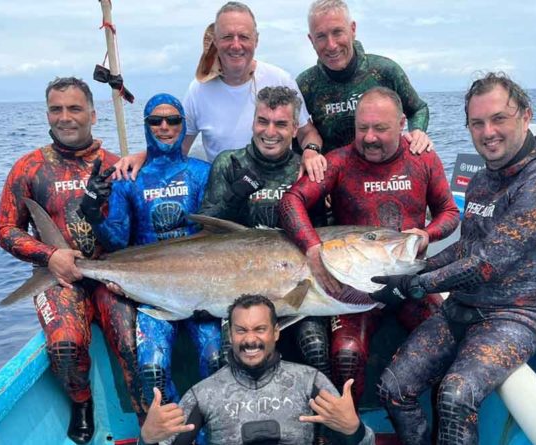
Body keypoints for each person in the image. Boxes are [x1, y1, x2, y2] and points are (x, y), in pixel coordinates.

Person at [372, 73, 536, 445]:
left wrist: (416, 285)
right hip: (461, 310)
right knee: (392, 388)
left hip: (513, 317)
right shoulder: (482, 179)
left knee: (454, 396)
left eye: (499, 118)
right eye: (477, 123)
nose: (488, 131)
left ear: (526, 116)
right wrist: (415, 268)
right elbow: (465, 247)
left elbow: (485, 263)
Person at [279, 86, 460, 403]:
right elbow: (290, 202)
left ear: (402, 123)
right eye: (362, 128)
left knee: (449, 343)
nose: (370, 137)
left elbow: (449, 212)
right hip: (355, 288)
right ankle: (349, 433)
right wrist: (312, 248)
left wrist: (427, 234)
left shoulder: (423, 158)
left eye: (381, 128)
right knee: (345, 357)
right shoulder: (338, 162)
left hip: (411, 283)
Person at [0, 77, 142, 444]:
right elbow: (6, 230)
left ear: (93, 114)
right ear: (47, 113)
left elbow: (136, 229)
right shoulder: (28, 168)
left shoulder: (115, 165)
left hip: (112, 277)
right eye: (56, 109)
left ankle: (144, 411)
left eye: (74, 108)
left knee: (131, 339)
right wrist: (51, 256)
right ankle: (81, 402)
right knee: (64, 343)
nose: (65, 117)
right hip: (60, 281)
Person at [77, 93, 222, 415]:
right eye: (156, 121)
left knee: (216, 358)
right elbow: (117, 242)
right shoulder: (129, 178)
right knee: (152, 369)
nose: (165, 127)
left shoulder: (202, 172)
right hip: (151, 291)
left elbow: (215, 234)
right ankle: (173, 435)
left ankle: (212, 430)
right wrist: (93, 214)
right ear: (146, 126)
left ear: (184, 126)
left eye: (173, 120)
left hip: (201, 290)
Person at [198, 85, 331, 376]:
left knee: (316, 346)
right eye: (263, 121)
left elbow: (324, 234)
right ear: (253, 121)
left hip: (296, 288)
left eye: (281, 124)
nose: (270, 132)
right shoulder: (229, 163)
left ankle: (320, 420)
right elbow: (205, 233)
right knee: (222, 356)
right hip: (238, 286)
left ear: (295, 128)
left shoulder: (306, 169)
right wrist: (234, 196)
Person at [114, 1, 323, 178]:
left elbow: (307, 133)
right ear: (215, 41)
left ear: (256, 40)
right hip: (225, 193)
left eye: (244, 37)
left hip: (275, 186)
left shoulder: (279, 79)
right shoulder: (199, 90)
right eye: (227, 37)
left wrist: (311, 152)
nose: (236, 45)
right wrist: (141, 157)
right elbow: (177, 147)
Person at [137, 294, 375, 445]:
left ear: (276, 332)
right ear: (230, 335)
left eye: (260, 329)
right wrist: (146, 439)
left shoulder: (309, 381)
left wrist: (354, 430)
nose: (250, 340)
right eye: (241, 330)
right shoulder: (204, 394)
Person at [297, 0, 433, 182]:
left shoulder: (385, 71)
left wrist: (417, 132)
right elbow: (295, 134)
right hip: (334, 184)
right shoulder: (306, 84)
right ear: (311, 39)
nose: (331, 45)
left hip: (388, 178)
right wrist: (311, 167)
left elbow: (418, 109)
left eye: (338, 32)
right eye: (321, 36)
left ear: (352, 29)